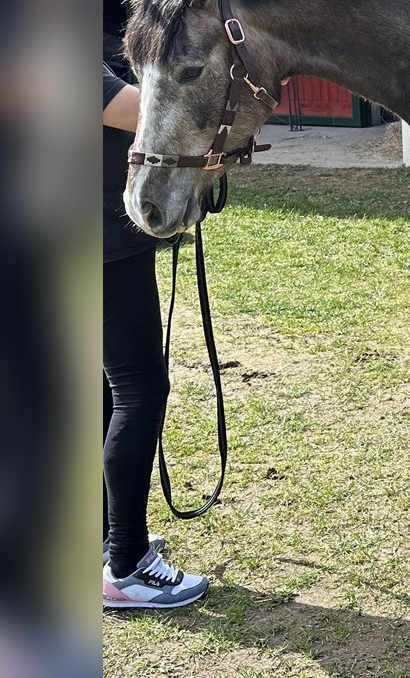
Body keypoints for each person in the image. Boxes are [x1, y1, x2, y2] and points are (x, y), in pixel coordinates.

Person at [102, 59, 208, 609]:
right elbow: (142, 109)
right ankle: (127, 565)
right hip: (99, 246)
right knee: (140, 391)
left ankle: (102, 544)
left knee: (103, 393)